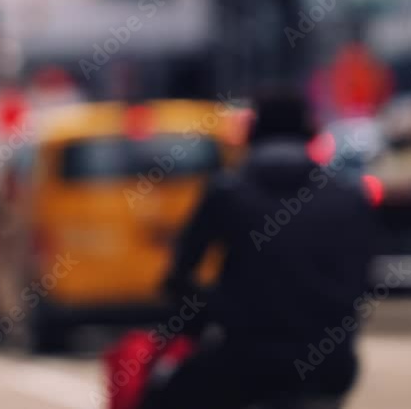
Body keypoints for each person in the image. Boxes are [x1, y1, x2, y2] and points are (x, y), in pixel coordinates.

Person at [138, 88, 375, 409]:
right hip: (331, 367)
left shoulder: (227, 194)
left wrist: (211, 314)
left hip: (245, 365)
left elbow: (179, 276)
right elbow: (364, 280)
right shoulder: (347, 198)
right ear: (311, 134)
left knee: (161, 396)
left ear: (251, 134)